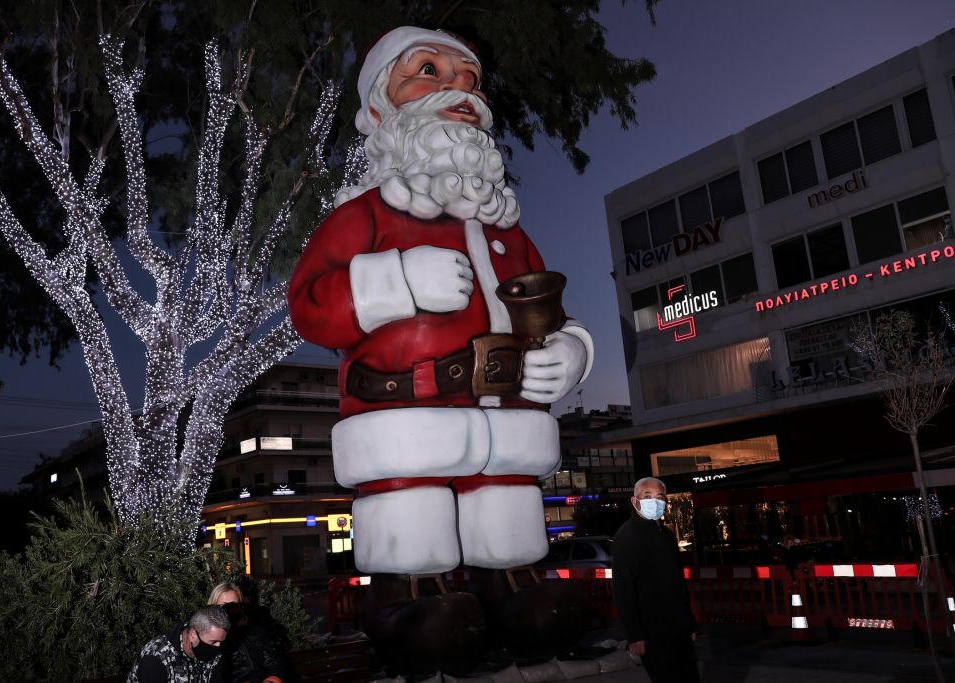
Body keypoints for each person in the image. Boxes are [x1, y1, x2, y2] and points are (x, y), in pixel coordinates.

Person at [288, 25, 595, 667]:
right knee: (413, 522)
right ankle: (410, 605)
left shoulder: (506, 230)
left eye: (470, 78)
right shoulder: (364, 217)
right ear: (379, 108)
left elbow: (553, 314)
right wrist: (397, 281)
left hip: (505, 424)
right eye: (429, 70)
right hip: (406, 416)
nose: (460, 89)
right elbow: (310, 306)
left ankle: (515, 593)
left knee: (506, 517)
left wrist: (568, 355)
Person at [611, 477, 701, 682]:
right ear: (635, 502)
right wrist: (635, 634)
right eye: (647, 496)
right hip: (652, 631)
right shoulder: (626, 538)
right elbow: (623, 590)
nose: (655, 501)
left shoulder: (667, 535)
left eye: (660, 497)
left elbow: (677, 584)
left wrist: (689, 623)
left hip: (678, 627)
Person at [207, 582, 287, 683]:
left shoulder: (255, 632)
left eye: (234, 605)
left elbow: (274, 665)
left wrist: (271, 680)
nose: (230, 610)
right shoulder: (210, 639)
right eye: (223, 606)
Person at [127, 605, 230, 683]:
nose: (218, 647)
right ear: (193, 635)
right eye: (214, 642)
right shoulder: (156, 659)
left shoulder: (213, 653)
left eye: (221, 642)